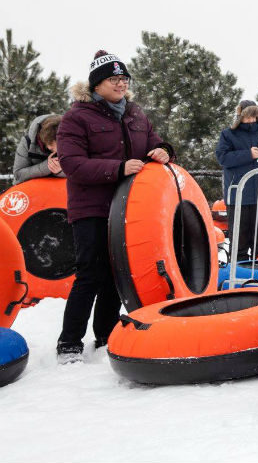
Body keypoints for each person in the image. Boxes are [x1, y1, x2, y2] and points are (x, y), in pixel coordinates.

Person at [55, 51, 173, 363]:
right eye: (113, 79)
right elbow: (71, 163)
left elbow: (155, 141)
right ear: (97, 84)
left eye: (124, 78)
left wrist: (163, 151)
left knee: (117, 273)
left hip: (129, 210)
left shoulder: (135, 114)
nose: (120, 84)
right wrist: (117, 168)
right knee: (91, 273)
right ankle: (69, 344)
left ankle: (106, 334)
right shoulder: (77, 117)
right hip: (90, 207)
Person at [215, 100, 258, 260]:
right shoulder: (228, 135)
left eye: (254, 116)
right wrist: (249, 155)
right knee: (238, 238)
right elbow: (222, 158)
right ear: (240, 116)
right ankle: (238, 269)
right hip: (238, 193)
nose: (251, 120)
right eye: (247, 117)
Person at [13, 114, 64, 184]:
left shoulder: (76, 141)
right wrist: (47, 167)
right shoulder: (27, 143)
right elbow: (18, 175)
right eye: (52, 146)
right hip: (30, 189)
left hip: (60, 189)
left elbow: (81, 173)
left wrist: (61, 171)